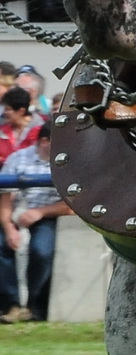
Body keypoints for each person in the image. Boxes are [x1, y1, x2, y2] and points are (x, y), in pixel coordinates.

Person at [0, 124, 68, 322]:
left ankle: (34, 305)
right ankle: (10, 304)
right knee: (2, 246)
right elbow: (4, 197)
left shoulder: (68, 163)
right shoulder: (18, 158)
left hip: (47, 215)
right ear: (44, 141)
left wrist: (40, 212)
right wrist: (9, 228)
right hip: (15, 214)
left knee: (42, 251)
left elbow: (71, 205)